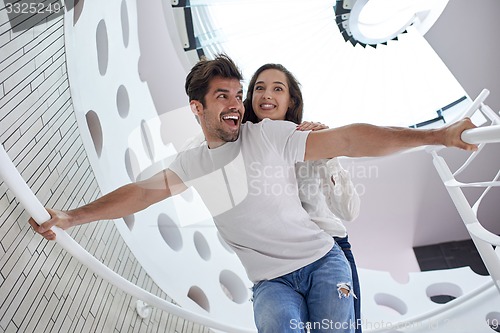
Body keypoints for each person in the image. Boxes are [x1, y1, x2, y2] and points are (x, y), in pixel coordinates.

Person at [30, 54, 477, 333]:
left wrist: (438, 135)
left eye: (238, 94)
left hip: (325, 262)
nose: (236, 103)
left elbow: (349, 140)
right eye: (223, 95)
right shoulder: (190, 164)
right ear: (197, 107)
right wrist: (71, 217)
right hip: (271, 284)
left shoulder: (270, 136)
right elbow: (140, 195)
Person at [242, 63, 362, 332]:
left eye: (277, 88)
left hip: (329, 249)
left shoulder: (307, 141)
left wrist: (328, 152)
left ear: (290, 100)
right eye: (259, 88)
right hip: (277, 262)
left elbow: (349, 211)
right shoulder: (241, 148)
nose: (266, 95)